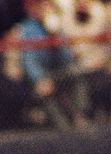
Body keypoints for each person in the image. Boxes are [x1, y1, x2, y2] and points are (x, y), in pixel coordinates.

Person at [18, 0, 88, 128]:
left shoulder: (57, 26)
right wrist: (39, 79)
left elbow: (67, 59)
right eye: (42, 6)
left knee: (77, 73)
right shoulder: (28, 28)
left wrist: (55, 36)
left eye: (48, 6)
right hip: (41, 77)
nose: (46, 9)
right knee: (43, 93)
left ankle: (80, 115)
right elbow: (28, 61)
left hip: (58, 72)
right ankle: (63, 128)